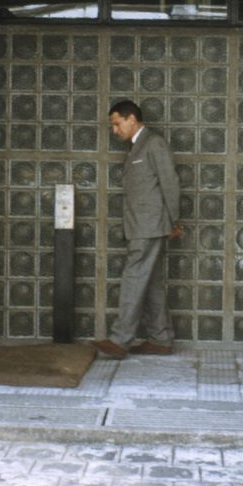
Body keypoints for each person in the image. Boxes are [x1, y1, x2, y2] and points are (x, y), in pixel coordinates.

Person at [91, 100, 184, 360]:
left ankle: (120, 340)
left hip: (150, 226)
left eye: (117, 124)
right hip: (143, 226)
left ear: (132, 119)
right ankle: (161, 339)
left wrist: (173, 221)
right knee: (151, 284)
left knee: (133, 280)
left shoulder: (153, 143)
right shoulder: (137, 147)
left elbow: (170, 182)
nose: (115, 130)